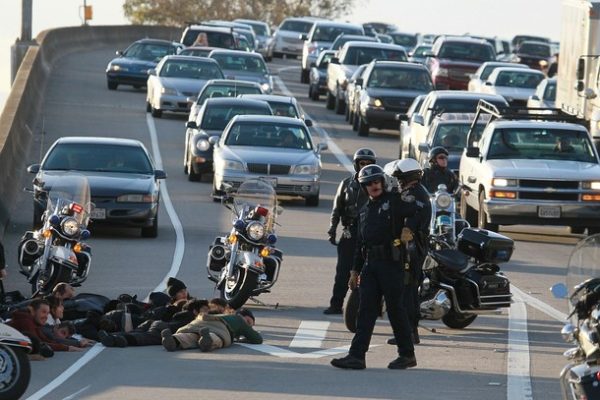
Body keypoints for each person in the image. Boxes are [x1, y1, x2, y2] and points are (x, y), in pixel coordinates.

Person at [331, 164, 423, 370]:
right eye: (369, 183)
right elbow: (360, 244)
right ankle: (357, 356)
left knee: (395, 310)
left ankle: (407, 354)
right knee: (365, 311)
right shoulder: (365, 210)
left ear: (382, 182)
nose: (374, 186)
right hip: (370, 265)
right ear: (364, 187)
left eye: (376, 181)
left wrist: (409, 227)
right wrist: (355, 270)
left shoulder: (395, 201)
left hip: (392, 264)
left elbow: (418, 210)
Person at [324, 148, 377, 315]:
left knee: (370, 271)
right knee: (343, 271)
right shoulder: (346, 184)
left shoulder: (378, 185)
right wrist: (332, 228)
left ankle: (369, 307)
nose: (365, 167)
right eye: (362, 163)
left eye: (369, 164)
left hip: (370, 233)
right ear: (356, 164)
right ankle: (336, 304)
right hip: (350, 232)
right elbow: (337, 208)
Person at [387, 158, 431, 346]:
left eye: (400, 178)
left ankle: (410, 333)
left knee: (407, 291)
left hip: (411, 250)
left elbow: (409, 223)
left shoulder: (415, 196)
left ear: (409, 177)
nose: (398, 181)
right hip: (412, 248)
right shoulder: (414, 193)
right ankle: (409, 332)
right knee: (407, 290)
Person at [161, 308, 262, 352]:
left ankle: (174, 340)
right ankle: (207, 340)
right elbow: (257, 339)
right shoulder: (239, 320)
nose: (248, 327)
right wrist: (245, 338)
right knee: (217, 337)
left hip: (198, 322)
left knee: (190, 336)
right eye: (248, 322)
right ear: (240, 315)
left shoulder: (220, 314)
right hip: (219, 327)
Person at [8, 298, 83, 352]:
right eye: (43, 312)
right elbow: (38, 344)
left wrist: (67, 347)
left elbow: (45, 339)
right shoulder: (26, 321)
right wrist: (66, 348)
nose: (46, 316)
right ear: (33, 311)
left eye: (47, 313)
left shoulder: (34, 322)